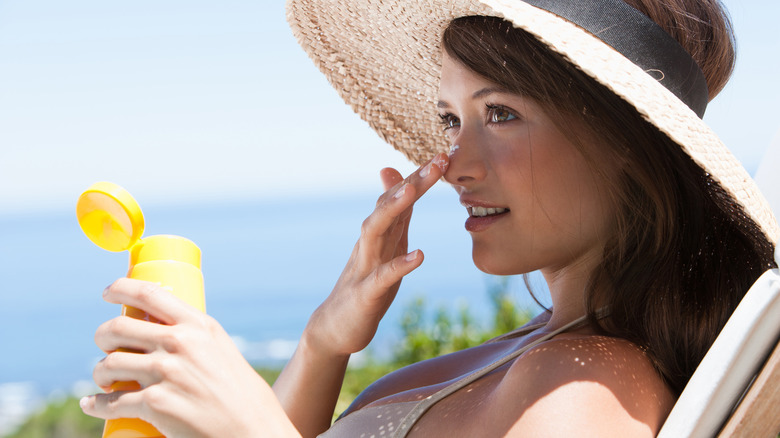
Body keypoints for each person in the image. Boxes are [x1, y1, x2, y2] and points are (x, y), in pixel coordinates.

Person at [79, 0, 779, 436]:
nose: (455, 164)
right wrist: (325, 343)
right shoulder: (545, 350)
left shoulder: (589, 388)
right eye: (452, 118)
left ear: (629, 147)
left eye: (501, 113)